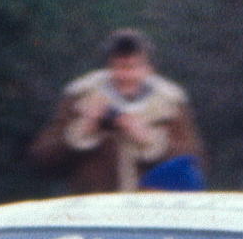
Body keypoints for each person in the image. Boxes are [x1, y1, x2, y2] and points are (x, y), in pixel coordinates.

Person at [30, 31, 206, 195]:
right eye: (119, 67)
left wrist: (150, 140)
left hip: (152, 214)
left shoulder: (171, 104)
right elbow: (42, 161)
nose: (125, 75)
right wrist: (83, 129)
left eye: (133, 67)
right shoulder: (80, 99)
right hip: (93, 214)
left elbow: (197, 164)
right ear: (109, 67)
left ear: (149, 69)